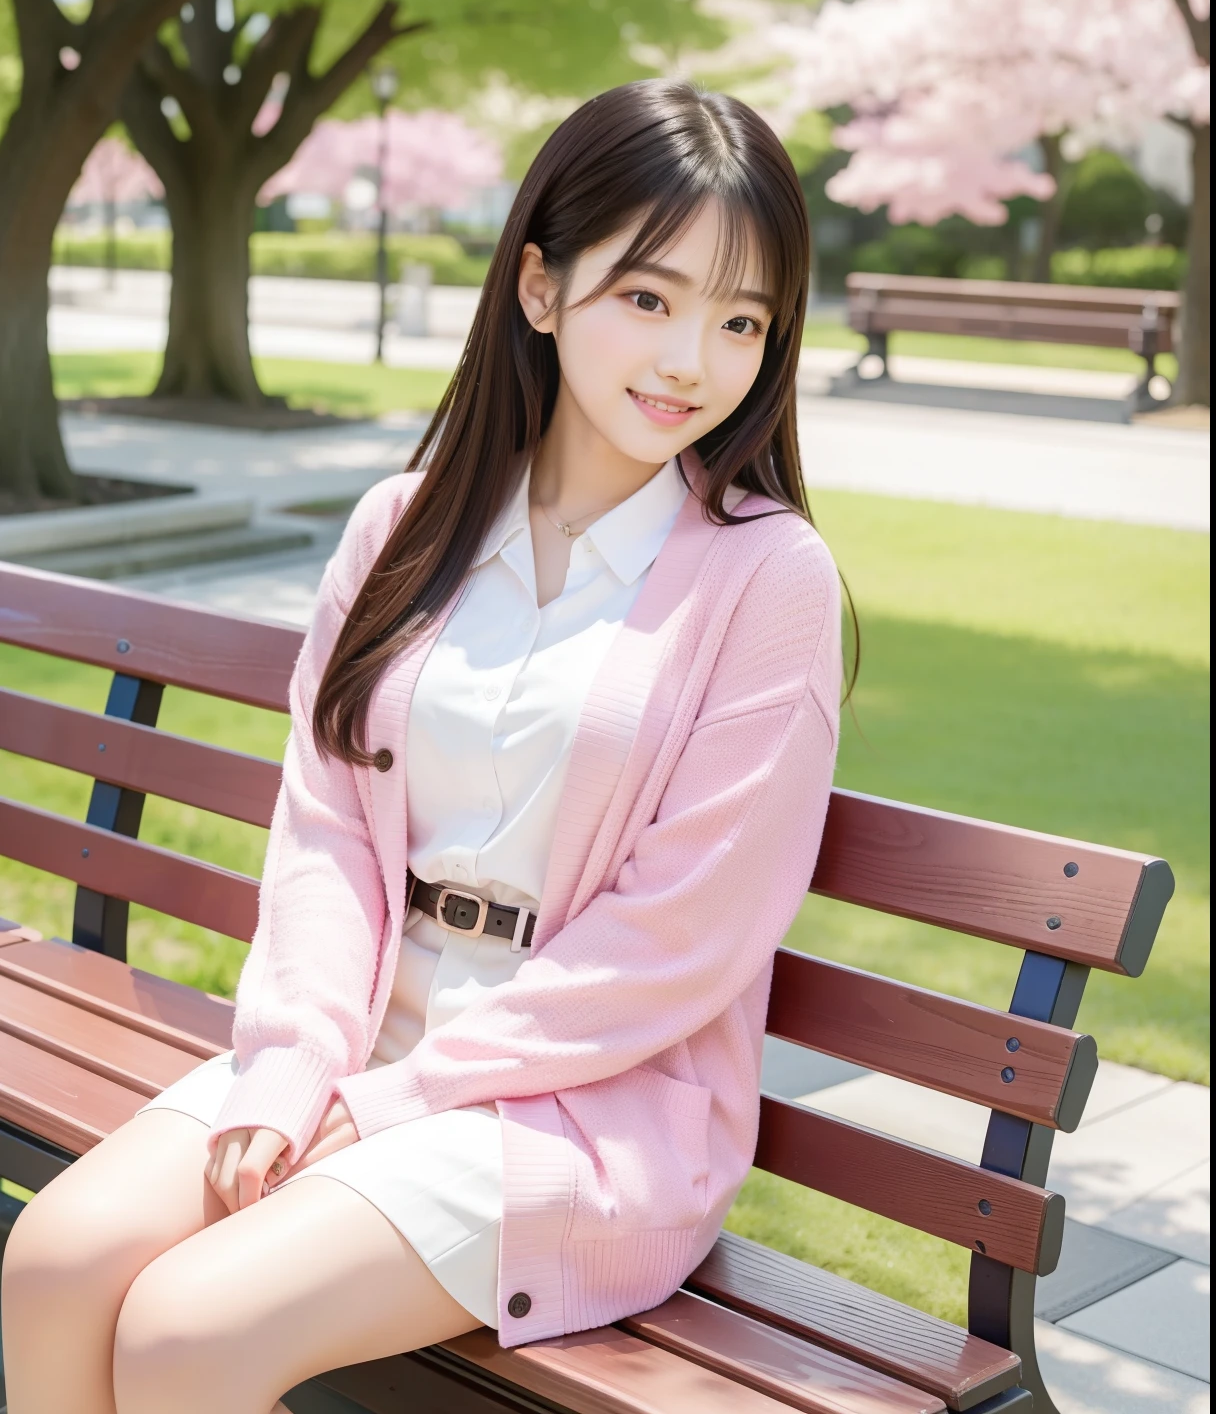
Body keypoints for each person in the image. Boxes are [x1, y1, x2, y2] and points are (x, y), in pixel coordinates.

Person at [1, 79, 844, 1414]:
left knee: (184, 1331)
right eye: (650, 297)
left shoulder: (768, 580)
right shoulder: (404, 530)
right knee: (53, 1262)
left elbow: (679, 939)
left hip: (585, 1108)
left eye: (742, 320)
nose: (693, 357)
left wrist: (398, 1100)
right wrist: (295, 1069)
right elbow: (329, 832)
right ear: (540, 288)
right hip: (361, 1037)